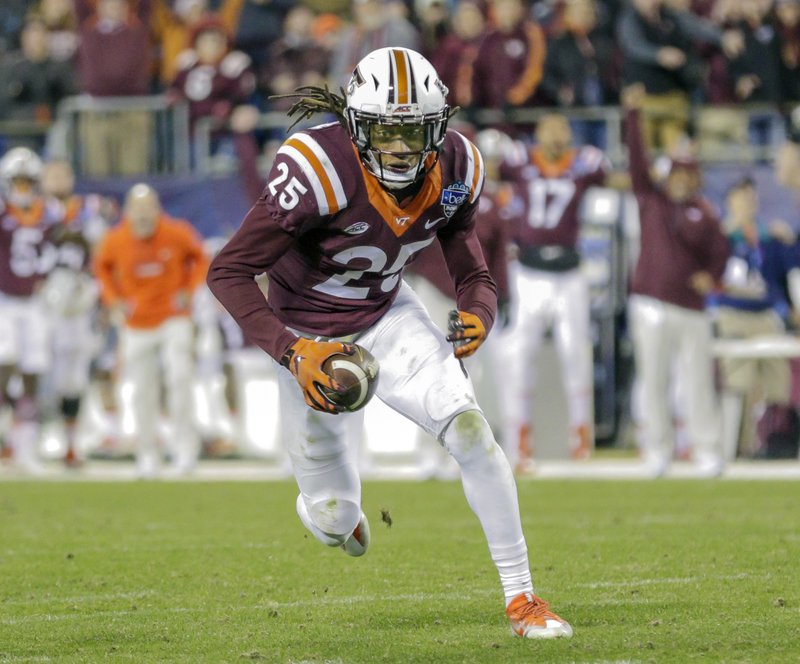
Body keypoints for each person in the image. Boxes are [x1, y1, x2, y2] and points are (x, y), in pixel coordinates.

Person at [207, 47, 573, 639]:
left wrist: (480, 309)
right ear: (357, 126)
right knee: (331, 519)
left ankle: (523, 599)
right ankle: (340, 519)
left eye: (412, 129)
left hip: (387, 314)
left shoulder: (457, 165)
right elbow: (226, 272)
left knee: (472, 430)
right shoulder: (317, 168)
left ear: (437, 125)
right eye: (384, 129)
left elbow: (473, 271)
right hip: (308, 336)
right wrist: (291, 351)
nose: (400, 146)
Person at [623, 83, 730, 477]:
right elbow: (636, 161)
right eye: (677, 174)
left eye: (688, 175)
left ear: (695, 178)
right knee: (653, 380)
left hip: (691, 307)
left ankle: (706, 449)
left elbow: (721, 253)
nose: (681, 180)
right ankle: (658, 450)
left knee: (698, 380)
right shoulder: (651, 199)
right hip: (650, 302)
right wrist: (633, 116)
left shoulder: (706, 212)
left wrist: (713, 277)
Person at [495, 112, 610, 471]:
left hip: (569, 273)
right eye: (551, 127)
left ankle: (581, 438)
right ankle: (519, 440)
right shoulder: (520, 161)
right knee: (521, 356)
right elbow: (490, 175)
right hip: (528, 272)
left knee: (575, 355)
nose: (558, 134)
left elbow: (612, 178)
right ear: (538, 131)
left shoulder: (585, 163)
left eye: (563, 128)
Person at [93, 184, 209, 478]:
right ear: (128, 211)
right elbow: (102, 269)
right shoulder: (115, 239)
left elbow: (200, 258)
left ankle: (184, 450)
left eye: (148, 208)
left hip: (174, 317)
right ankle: (147, 454)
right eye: (137, 209)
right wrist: (114, 302)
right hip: (136, 322)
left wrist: (189, 290)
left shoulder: (177, 231)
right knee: (141, 390)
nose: (143, 215)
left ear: (157, 209)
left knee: (179, 378)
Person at [40, 158, 112, 467]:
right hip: (42, 301)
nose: (56, 181)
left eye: (62, 174)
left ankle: (71, 443)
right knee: (37, 371)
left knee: (76, 375)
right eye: (51, 175)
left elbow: (103, 254)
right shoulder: (30, 211)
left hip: (82, 299)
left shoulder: (91, 208)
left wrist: (103, 301)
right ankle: (26, 438)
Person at [0, 147, 57, 474]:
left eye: (27, 183)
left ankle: (27, 447)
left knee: (33, 370)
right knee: (4, 363)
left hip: (36, 302)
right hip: (5, 301)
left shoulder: (49, 214)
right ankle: (7, 435)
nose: (22, 189)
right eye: (16, 183)